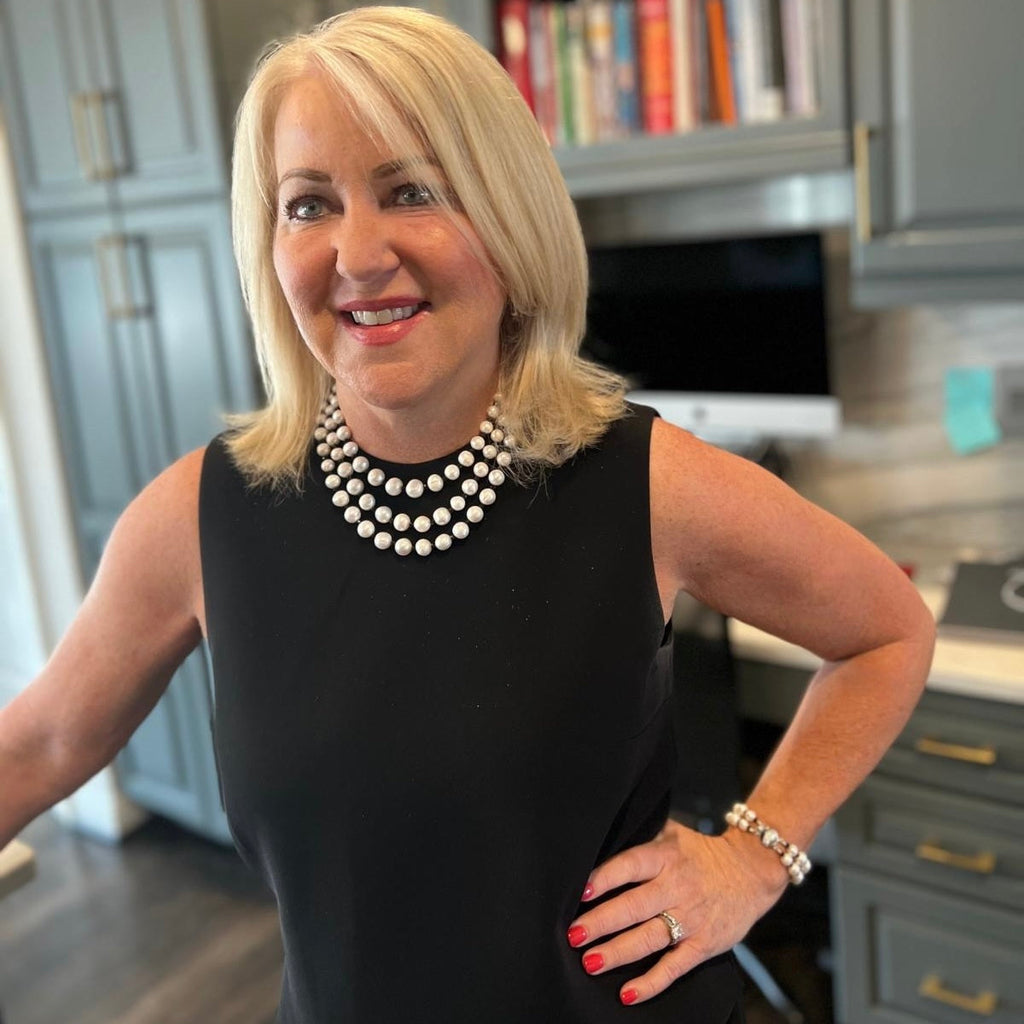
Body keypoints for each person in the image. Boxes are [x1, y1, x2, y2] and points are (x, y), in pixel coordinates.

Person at [0, 7, 934, 1022]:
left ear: (507, 213)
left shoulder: (649, 483)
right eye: (308, 205)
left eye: (412, 191)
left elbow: (887, 630)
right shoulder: (196, 516)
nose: (358, 253)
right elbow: (42, 743)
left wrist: (755, 855)